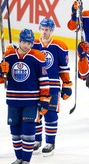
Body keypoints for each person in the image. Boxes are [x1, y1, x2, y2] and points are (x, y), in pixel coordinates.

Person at [0, 29, 50, 164]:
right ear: (19, 41)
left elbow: (44, 80)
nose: (27, 45)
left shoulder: (37, 56)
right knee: (15, 131)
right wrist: (2, 70)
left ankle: (26, 161)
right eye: (24, 42)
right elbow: (2, 79)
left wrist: (44, 99)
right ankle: (19, 158)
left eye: (30, 43)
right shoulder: (9, 55)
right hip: (13, 100)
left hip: (31, 101)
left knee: (28, 130)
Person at [32, 18, 72, 156]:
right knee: (35, 114)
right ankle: (37, 140)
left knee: (50, 114)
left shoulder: (59, 46)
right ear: (39, 29)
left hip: (52, 86)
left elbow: (63, 67)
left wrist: (67, 84)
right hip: (35, 86)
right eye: (42, 29)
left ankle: (50, 142)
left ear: (52, 31)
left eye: (47, 29)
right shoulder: (32, 44)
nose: (44, 32)